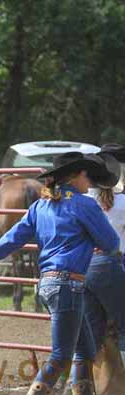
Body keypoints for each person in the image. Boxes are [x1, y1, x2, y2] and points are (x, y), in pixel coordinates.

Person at [0, 152, 120, 395]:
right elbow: (110, 242)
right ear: (77, 176)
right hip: (68, 285)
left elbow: (16, 235)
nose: (90, 181)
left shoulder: (40, 206)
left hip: (49, 284)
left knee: (83, 351)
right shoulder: (84, 205)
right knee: (61, 355)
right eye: (87, 175)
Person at [83, 145, 125, 381]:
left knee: (92, 331)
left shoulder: (83, 201)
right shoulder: (121, 203)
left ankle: (82, 384)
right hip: (113, 266)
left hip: (83, 267)